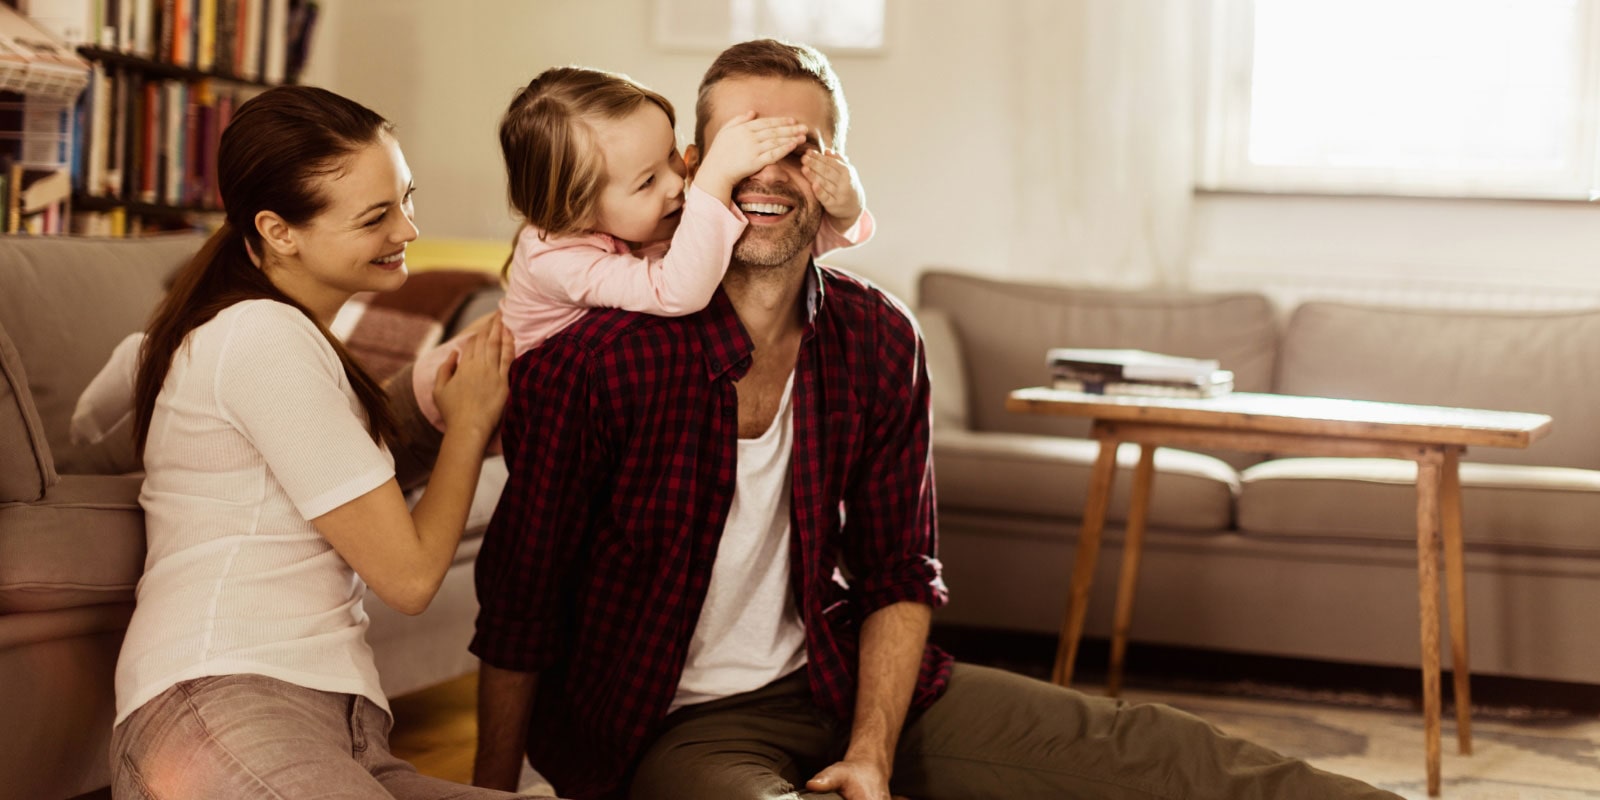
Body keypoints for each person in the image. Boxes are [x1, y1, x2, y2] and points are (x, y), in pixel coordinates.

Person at [469, 40, 1402, 800]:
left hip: (841, 685)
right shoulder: (597, 360)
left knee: (1167, 757)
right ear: (692, 165)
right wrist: (488, 792)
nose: (770, 173)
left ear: (837, 173)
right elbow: (520, 604)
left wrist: (873, 749)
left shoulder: (876, 338)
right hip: (666, 731)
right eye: (745, 144)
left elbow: (897, 568)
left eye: (799, 150)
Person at [110, 85, 553, 800]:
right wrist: (470, 424)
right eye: (377, 216)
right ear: (280, 231)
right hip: (225, 703)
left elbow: (101, 411)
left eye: (407, 199)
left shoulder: (253, 338)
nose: (408, 230)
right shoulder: (260, 337)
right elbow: (408, 579)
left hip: (342, 729)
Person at [408, 65, 874, 431]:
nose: (678, 183)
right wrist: (714, 179)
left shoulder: (651, 220)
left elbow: (774, 249)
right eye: (647, 180)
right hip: (438, 401)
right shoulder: (554, 258)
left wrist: (847, 210)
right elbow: (679, 291)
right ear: (578, 211)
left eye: (673, 155)